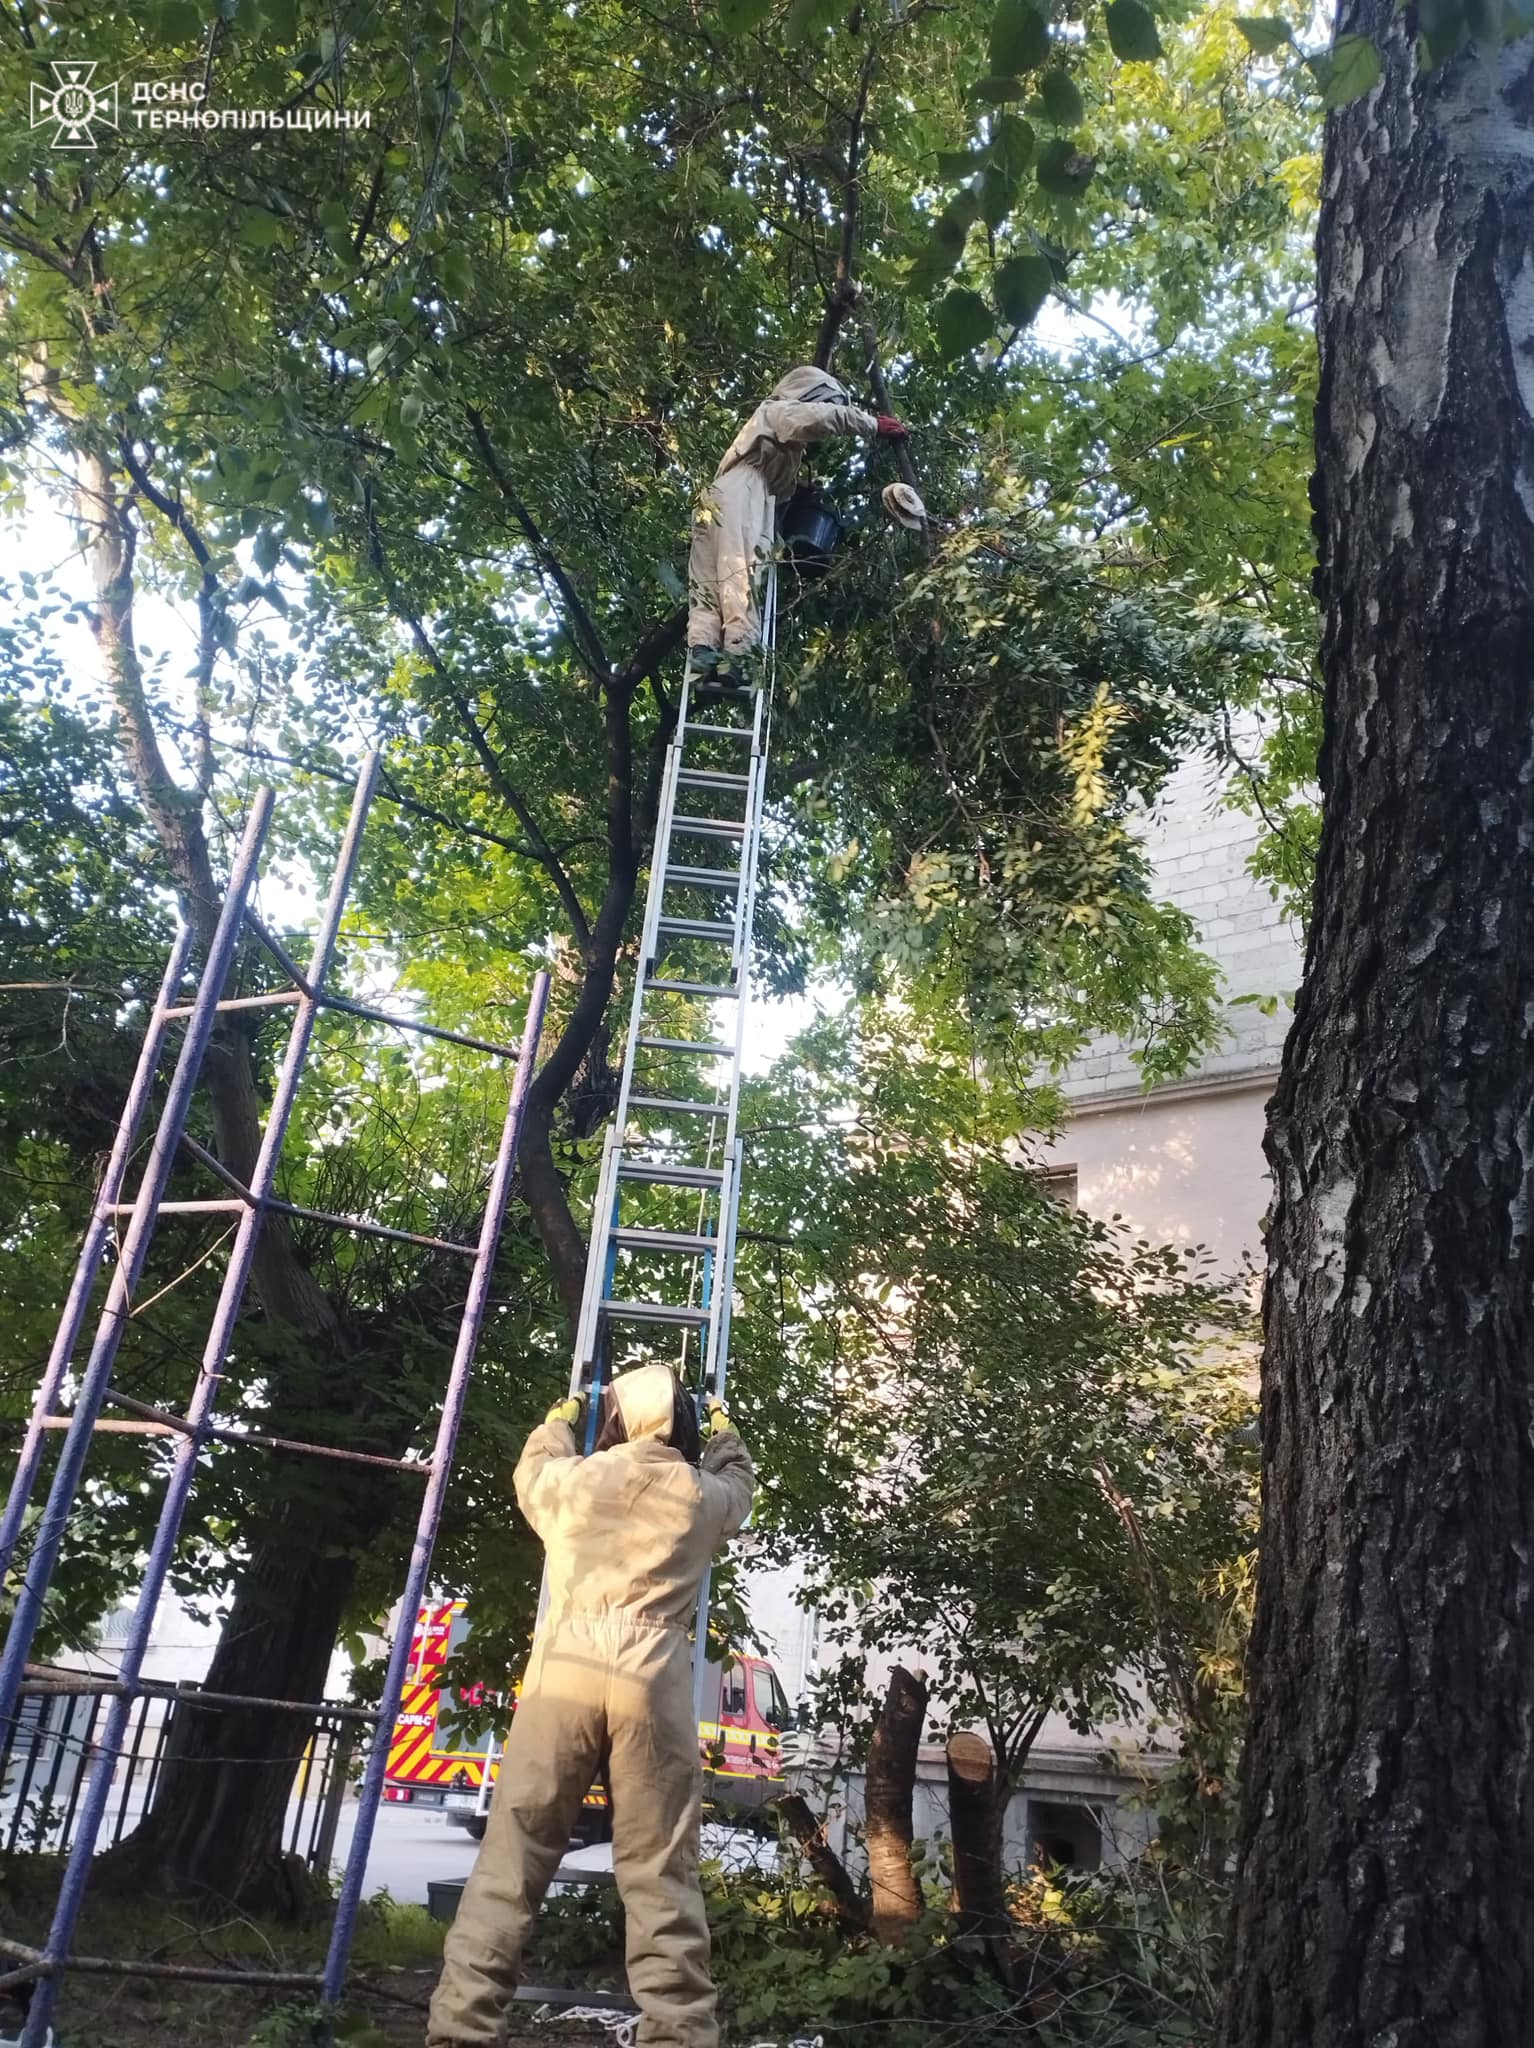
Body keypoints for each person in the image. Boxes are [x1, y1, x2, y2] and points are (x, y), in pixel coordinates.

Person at [425, 1362, 755, 2048]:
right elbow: (739, 1485)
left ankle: (461, 2029)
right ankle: (677, 2034)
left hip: (566, 1672)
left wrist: (560, 1419)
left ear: (617, 1419)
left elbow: (532, 1470)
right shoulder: (699, 1495)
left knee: (513, 1857)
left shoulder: (573, 1482)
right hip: (652, 1677)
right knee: (660, 1869)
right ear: (681, 1423)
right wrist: (725, 1431)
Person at [687, 365, 908, 686]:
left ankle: (703, 650)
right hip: (744, 491)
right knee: (742, 572)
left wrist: (795, 490)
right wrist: (873, 424)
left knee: (708, 582)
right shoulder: (779, 410)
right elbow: (819, 418)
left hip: (714, 498)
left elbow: (777, 475)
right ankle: (737, 655)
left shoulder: (769, 434)